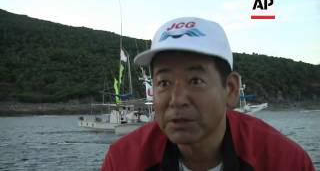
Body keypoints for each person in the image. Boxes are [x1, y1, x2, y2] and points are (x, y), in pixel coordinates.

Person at [101, 17, 315, 171]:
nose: (177, 100)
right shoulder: (124, 161)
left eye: (196, 81)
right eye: (164, 82)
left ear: (230, 89)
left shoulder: (283, 161)